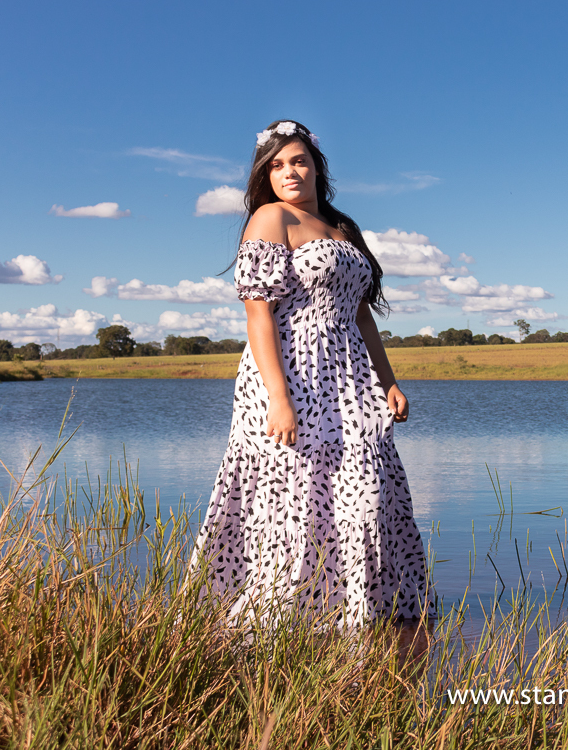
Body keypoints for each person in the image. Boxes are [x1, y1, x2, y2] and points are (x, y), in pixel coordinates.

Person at [185, 119, 434, 640]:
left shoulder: (343, 228)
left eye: (297, 160)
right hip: (289, 370)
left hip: (348, 378)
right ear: (265, 176)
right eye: (276, 165)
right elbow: (258, 313)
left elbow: (362, 316)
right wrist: (278, 398)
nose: (288, 172)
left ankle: (362, 609)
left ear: (317, 166)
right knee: (292, 491)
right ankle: (279, 615)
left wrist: (388, 380)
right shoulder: (270, 218)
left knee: (361, 489)